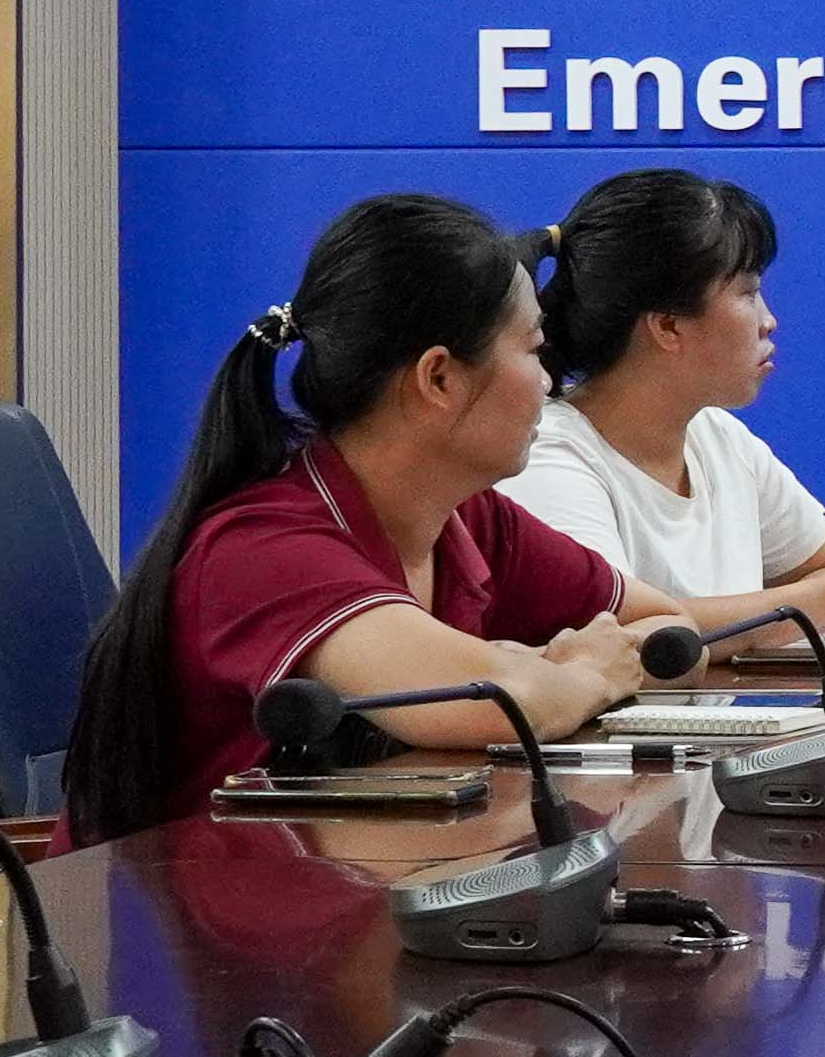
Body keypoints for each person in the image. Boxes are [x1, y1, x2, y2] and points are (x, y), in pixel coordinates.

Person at [58, 193, 699, 845]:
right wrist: (584, 673)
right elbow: (497, 702)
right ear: (438, 378)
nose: (547, 382)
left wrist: (546, 671)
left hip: (373, 884)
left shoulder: (471, 519)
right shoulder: (266, 549)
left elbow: (669, 631)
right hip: (175, 904)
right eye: (534, 350)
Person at [500, 168, 825, 637]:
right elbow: (613, 634)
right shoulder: (547, 458)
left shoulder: (718, 435)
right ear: (668, 326)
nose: (768, 321)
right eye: (748, 293)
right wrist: (820, 603)